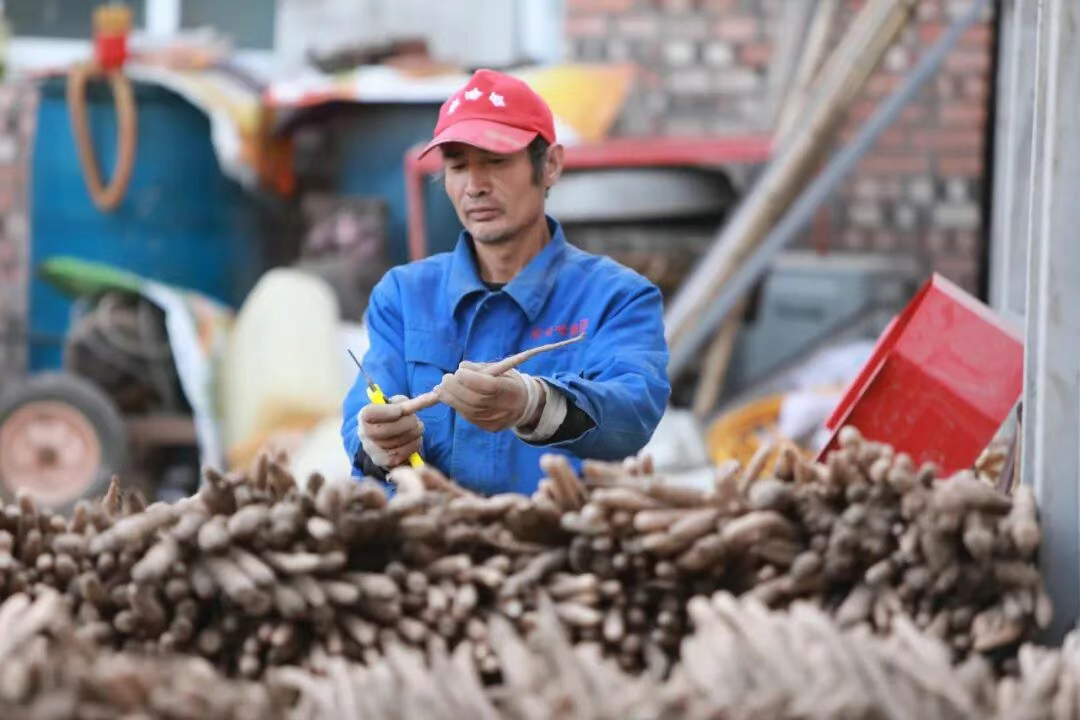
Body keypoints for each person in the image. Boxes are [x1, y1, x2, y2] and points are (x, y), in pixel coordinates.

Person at [340, 68, 670, 496]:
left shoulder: (618, 298)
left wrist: (533, 403)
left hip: (561, 547)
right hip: (424, 545)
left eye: (495, 162)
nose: (475, 186)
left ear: (550, 165)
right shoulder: (404, 296)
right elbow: (365, 414)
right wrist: (375, 441)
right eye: (457, 166)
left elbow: (633, 412)